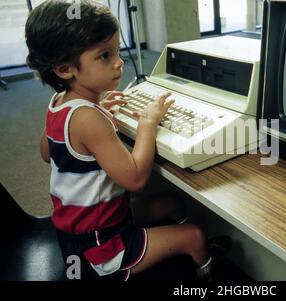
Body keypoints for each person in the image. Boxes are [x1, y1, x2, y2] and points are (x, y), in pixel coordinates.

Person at [25, 0, 212, 280]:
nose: (118, 62)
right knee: (194, 235)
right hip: (101, 246)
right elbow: (135, 178)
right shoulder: (88, 118)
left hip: (75, 233)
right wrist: (148, 122)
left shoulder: (59, 103)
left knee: (172, 202)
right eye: (104, 56)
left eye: (116, 50)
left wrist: (100, 111)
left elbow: (46, 152)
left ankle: (169, 256)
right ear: (65, 69)